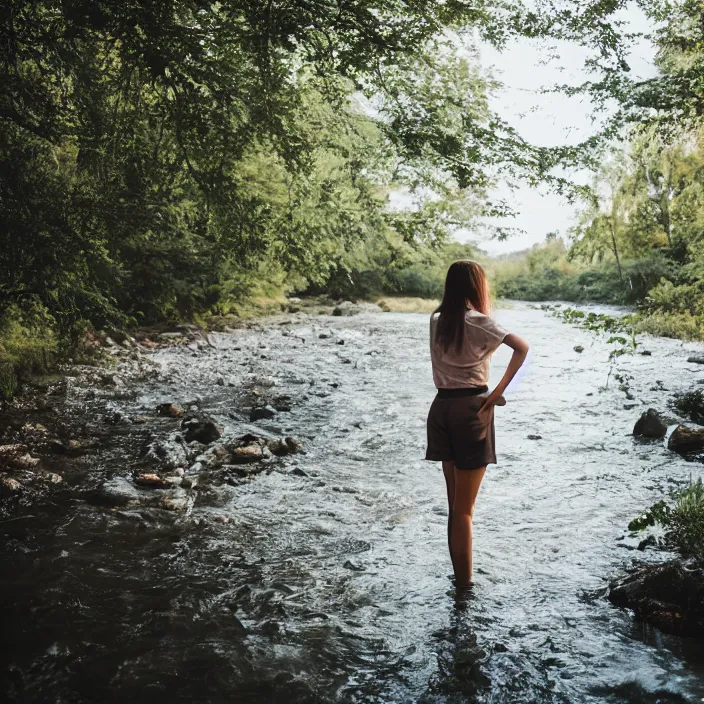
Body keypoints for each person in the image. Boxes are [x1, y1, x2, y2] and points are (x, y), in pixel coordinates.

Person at [425, 260, 529, 589]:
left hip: (441, 408)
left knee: (454, 505)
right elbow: (522, 348)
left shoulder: (437, 320)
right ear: (476, 286)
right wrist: (497, 393)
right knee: (465, 510)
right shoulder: (480, 321)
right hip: (472, 410)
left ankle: (459, 579)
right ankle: (465, 591)